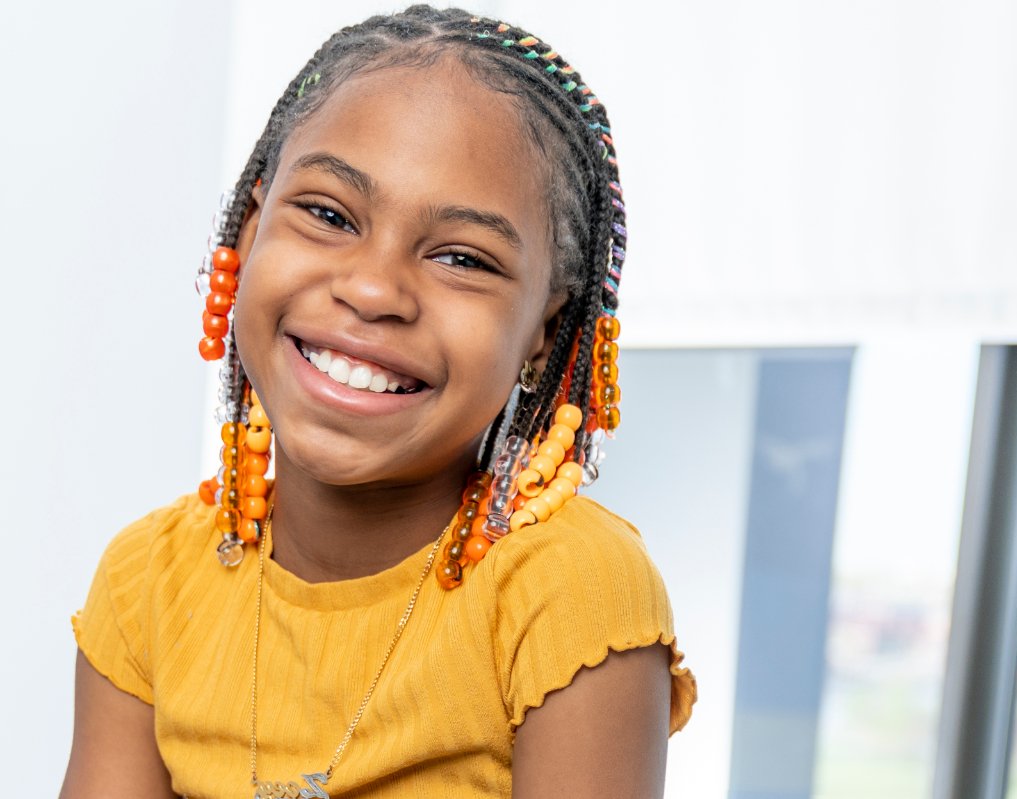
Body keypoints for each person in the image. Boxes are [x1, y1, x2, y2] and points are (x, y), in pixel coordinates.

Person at [60, 6, 695, 797]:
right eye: (328, 215)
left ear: (544, 331)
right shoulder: (147, 583)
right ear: (251, 231)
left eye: (462, 257)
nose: (371, 289)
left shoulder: (571, 591)